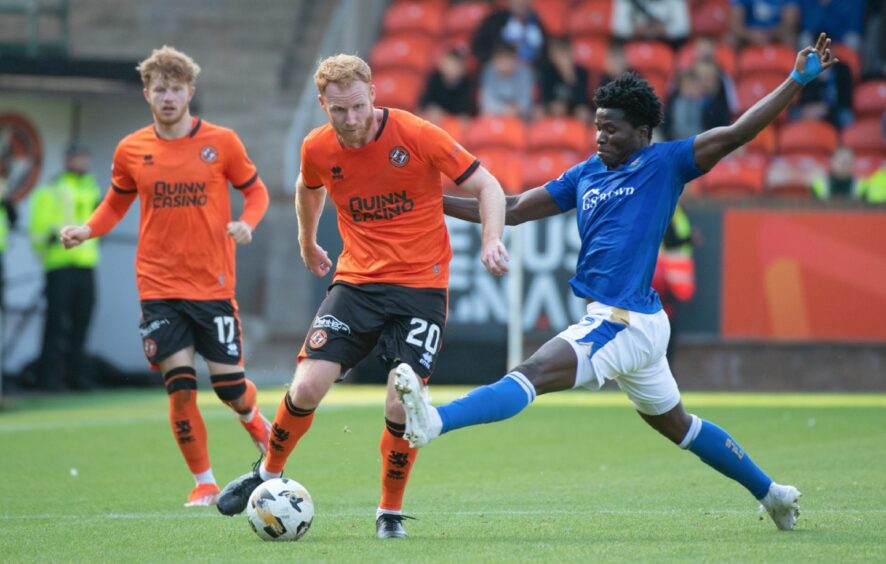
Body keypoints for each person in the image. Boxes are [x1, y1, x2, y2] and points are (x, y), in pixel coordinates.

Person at [396, 33, 842, 533]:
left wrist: (795, 81)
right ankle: (774, 494)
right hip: (636, 321)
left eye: (611, 129)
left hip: (622, 319)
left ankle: (435, 422)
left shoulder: (666, 163)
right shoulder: (586, 172)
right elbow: (516, 208)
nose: (600, 137)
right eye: (597, 127)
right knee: (680, 427)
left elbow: (737, 131)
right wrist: (431, 202)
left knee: (531, 373)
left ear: (643, 131)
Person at [215, 54, 509, 539]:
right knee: (307, 385)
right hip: (357, 285)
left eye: (357, 107)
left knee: (400, 401)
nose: (350, 120)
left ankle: (389, 511)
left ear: (373, 93)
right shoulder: (317, 147)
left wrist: (491, 239)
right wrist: (306, 241)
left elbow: (487, 185)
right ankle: (266, 473)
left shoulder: (416, 134)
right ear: (322, 106)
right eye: (338, 111)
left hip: (420, 289)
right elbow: (308, 189)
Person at [59, 46, 272, 507]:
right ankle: (205, 482)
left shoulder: (223, 142)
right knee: (179, 389)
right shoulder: (132, 149)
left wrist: (247, 224)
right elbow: (116, 202)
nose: (169, 97)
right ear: (147, 94)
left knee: (231, 390)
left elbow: (255, 192)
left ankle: (254, 418)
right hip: (158, 287)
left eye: (177, 89)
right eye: (161, 89)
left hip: (213, 285)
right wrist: (88, 229)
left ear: (190, 92)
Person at [28, 144, 101, 391]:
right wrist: (46, 249)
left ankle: (77, 377)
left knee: (82, 323)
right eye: (77, 157)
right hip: (59, 265)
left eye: (84, 157)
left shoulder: (92, 187)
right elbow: (39, 229)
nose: (82, 162)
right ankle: (48, 378)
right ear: (67, 160)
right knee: (56, 325)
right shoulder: (52, 189)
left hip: (86, 265)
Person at [471, 0, 547, 69]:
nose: (520, 2)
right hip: (498, 74)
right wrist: (501, 55)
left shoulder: (540, 22)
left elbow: (546, 55)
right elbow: (478, 47)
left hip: (533, 74)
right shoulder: (495, 20)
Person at [537, 37, 591, 122]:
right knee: (539, 112)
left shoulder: (581, 73)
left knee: (583, 113)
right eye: (557, 55)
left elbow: (582, 99)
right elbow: (545, 97)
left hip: (573, 109)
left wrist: (570, 77)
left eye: (564, 53)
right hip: (554, 109)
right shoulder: (548, 72)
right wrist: (552, 105)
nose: (561, 58)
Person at [479, 43, 535, 118]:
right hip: (496, 114)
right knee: (485, 114)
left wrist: (513, 110)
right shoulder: (489, 69)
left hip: (519, 116)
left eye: (508, 59)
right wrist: (504, 109)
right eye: (501, 59)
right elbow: (486, 101)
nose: (505, 64)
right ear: (495, 61)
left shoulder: (524, 71)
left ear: (516, 60)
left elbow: (526, 102)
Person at [419, 48, 474, 121]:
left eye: (455, 65)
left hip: (452, 121)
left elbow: (463, 112)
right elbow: (425, 101)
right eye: (448, 63)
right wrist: (430, 109)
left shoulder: (466, 84)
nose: (451, 68)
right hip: (433, 116)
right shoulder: (435, 77)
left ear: (462, 69)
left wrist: (444, 115)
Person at [729, 0, 800, 48]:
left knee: (790, 38)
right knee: (731, 40)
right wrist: (751, 35)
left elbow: (789, 23)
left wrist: (769, 34)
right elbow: (735, 24)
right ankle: (732, 69)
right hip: (749, 33)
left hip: (776, 33)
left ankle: (795, 69)